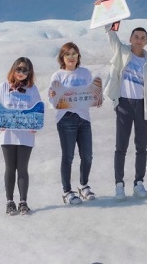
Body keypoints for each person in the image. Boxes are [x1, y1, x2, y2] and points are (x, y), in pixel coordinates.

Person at [104, 23, 147, 200]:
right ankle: (119, 185)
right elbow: (111, 35)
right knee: (121, 146)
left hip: (141, 106)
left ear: (146, 42)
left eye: (143, 38)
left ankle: (139, 183)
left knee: (141, 146)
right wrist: (108, 17)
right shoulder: (122, 52)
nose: (139, 40)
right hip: (124, 103)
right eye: (136, 37)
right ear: (130, 39)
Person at [49, 42, 98, 205]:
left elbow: (92, 93)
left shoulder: (85, 73)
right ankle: (67, 191)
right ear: (62, 57)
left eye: (74, 53)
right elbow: (53, 99)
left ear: (78, 56)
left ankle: (83, 185)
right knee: (68, 156)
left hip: (84, 119)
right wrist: (53, 96)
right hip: (66, 118)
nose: (71, 57)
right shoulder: (58, 75)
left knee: (87, 156)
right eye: (67, 54)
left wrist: (97, 98)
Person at [0, 57, 41, 215]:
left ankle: (23, 202)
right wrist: (0, 121)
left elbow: (38, 109)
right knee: (10, 168)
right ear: (13, 69)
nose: (21, 73)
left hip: (25, 136)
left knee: (23, 168)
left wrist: (35, 124)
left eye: (25, 70)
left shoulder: (32, 89)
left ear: (29, 73)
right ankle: (9, 201)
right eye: (19, 69)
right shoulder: (3, 87)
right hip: (7, 135)